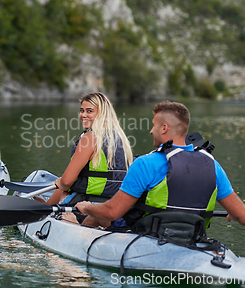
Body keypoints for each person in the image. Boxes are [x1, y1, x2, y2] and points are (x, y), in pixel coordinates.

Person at [75, 101, 245, 230]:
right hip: (192, 236)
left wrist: (89, 208)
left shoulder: (145, 163)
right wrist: (235, 214)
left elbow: (112, 212)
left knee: (96, 217)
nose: (150, 131)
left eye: (153, 125)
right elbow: (242, 215)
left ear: (164, 128)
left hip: (149, 236)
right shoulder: (213, 166)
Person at [37, 92, 133, 227]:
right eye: (81, 111)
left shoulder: (90, 137)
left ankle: (53, 213)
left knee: (64, 186)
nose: (83, 115)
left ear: (102, 114)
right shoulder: (121, 139)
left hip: (85, 205)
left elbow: (66, 182)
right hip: (113, 205)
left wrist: (61, 182)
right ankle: (48, 208)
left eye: (90, 111)